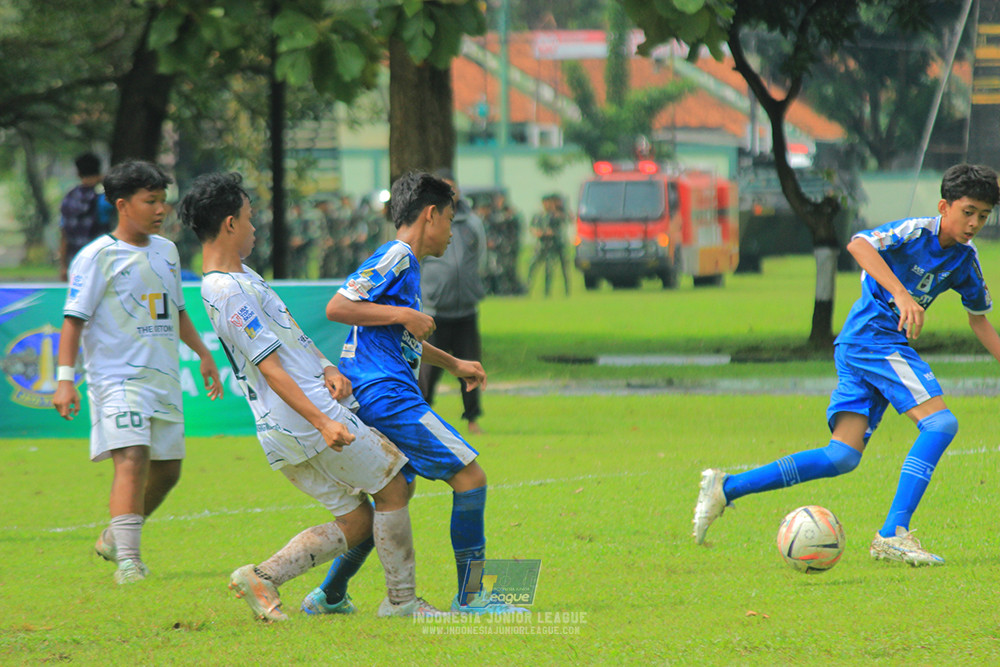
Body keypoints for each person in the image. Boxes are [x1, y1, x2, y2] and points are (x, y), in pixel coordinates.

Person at [693, 164, 1000, 566]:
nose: (974, 222)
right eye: (968, 211)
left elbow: (978, 320)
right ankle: (893, 534)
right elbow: (858, 244)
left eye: (984, 215)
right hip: (874, 337)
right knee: (940, 424)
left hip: (861, 344)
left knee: (841, 457)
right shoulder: (915, 232)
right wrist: (902, 294)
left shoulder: (965, 261)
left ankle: (726, 487)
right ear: (944, 206)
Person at [180, 171, 441, 621]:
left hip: (291, 420)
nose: (254, 227)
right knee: (394, 486)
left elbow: (289, 337)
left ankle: (262, 577)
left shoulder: (242, 277)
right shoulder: (225, 290)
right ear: (228, 225)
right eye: (248, 217)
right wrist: (322, 420)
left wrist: (326, 366)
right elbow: (270, 367)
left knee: (357, 522)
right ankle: (401, 602)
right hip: (304, 417)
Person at [309, 171, 526, 615]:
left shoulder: (404, 264)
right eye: (448, 218)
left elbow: (398, 332)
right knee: (470, 477)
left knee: (393, 497)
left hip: (375, 391)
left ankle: (329, 595)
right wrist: (406, 316)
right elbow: (338, 307)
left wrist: (453, 363)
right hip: (386, 394)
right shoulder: (399, 256)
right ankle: (471, 598)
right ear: (431, 215)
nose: (450, 230)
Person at [52, 160, 224, 585]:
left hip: (161, 377)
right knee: (131, 458)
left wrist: (203, 355)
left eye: (163, 200)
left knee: (168, 471)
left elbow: (177, 311)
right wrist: (64, 379)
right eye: (151, 201)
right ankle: (129, 561)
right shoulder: (96, 257)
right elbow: (73, 320)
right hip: (117, 379)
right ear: (123, 204)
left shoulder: (166, 251)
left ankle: (115, 536)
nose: (161, 209)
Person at [418, 168, 488, 435]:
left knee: (469, 365)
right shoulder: (427, 224)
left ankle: (472, 418)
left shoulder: (472, 223)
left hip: (466, 309)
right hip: (434, 311)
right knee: (427, 371)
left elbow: (480, 256)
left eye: (453, 188)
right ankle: (422, 418)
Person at [59, 152, 114, 281]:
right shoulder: (104, 199)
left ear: (78, 173)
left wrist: (63, 266)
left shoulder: (69, 198)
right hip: (102, 263)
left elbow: (63, 234)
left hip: (75, 261)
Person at [527, 193, 571, 296]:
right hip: (541, 245)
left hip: (556, 245)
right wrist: (538, 232)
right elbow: (532, 228)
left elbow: (563, 224)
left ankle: (563, 291)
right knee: (532, 265)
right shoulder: (538, 216)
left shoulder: (556, 215)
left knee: (555, 269)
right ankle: (527, 289)